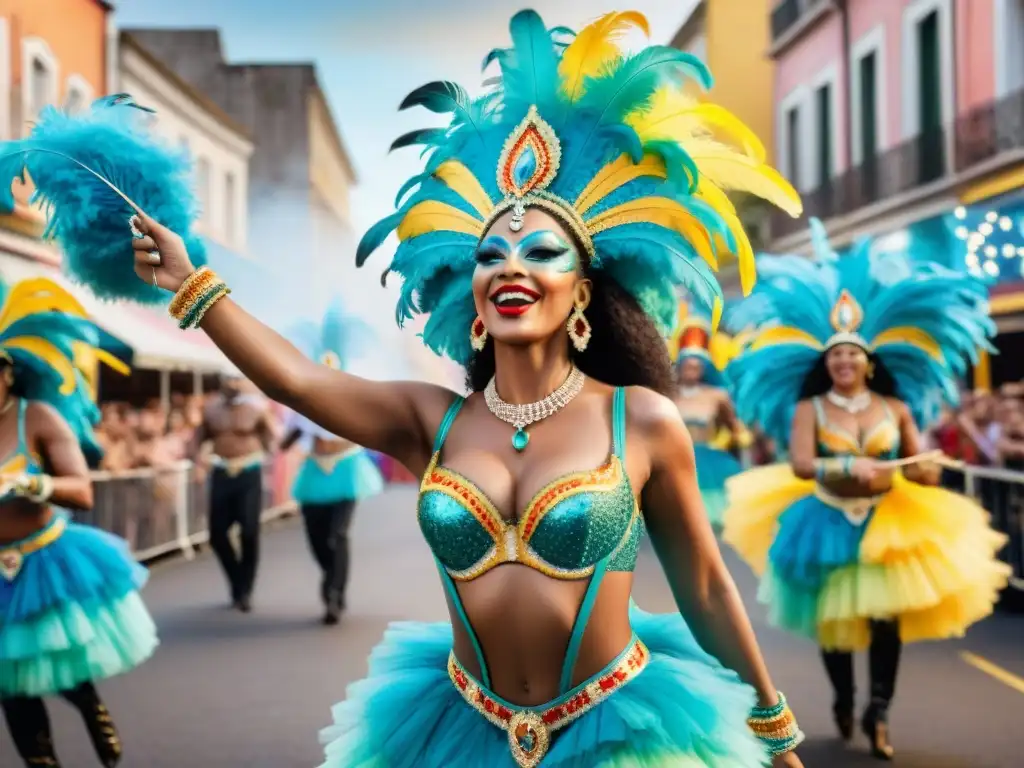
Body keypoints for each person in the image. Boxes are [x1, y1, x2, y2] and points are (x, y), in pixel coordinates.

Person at [15, 11, 807, 765]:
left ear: (584, 294)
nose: (511, 267)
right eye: (491, 255)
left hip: (624, 732)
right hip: (462, 731)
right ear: (474, 297)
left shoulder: (641, 420)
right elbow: (296, 379)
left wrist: (773, 732)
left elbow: (705, 586)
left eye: (541, 253)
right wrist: (193, 282)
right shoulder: (432, 419)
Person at [721, 220, 1011, 760]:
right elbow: (801, 465)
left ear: (869, 362)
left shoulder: (895, 407)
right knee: (833, 620)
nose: (845, 362)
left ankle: (879, 710)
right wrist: (843, 466)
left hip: (889, 519)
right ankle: (843, 697)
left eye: (853, 355)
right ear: (826, 363)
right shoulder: (810, 408)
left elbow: (918, 462)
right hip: (826, 520)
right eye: (836, 355)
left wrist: (926, 469)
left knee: (885, 622)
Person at [0, 277, 157, 767]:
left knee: (60, 668)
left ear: (7, 373)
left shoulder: (38, 418)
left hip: (44, 562)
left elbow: (82, 491)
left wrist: (33, 484)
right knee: (11, 688)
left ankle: (91, 708)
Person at [279, 298, 384, 624]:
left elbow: (370, 429)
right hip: (314, 471)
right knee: (315, 536)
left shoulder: (353, 397)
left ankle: (334, 594)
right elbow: (292, 434)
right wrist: (278, 444)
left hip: (346, 469)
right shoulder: (303, 399)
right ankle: (330, 574)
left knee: (337, 534)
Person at [192, 374, 276, 612]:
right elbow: (198, 438)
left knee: (249, 530)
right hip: (221, 471)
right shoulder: (211, 410)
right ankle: (236, 580)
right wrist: (197, 461)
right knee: (217, 533)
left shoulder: (256, 409)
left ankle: (245, 589)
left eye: (237, 380)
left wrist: (268, 456)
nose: (233, 385)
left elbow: (270, 437)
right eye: (229, 380)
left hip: (249, 471)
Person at [668, 302, 747, 528]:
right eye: (687, 365)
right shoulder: (667, 395)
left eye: (697, 366)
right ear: (679, 366)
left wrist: (735, 442)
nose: (691, 370)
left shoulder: (717, 396)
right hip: (675, 463)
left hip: (710, 464)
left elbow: (735, 430)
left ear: (705, 368)